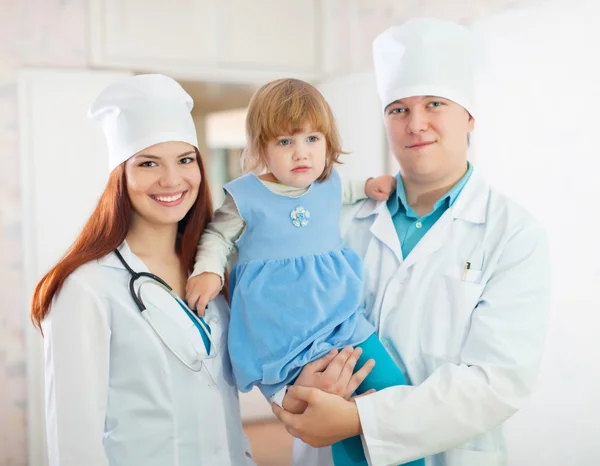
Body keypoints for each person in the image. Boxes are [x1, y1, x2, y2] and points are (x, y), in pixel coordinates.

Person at [273, 18, 552, 466]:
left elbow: (495, 382)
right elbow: (284, 319)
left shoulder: (512, 233)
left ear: (469, 117)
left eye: (435, 104)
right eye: (398, 109)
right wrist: (297, 385)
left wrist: (359, 419)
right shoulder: (337, 219)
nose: (415, 124)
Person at [185, 78, 423, 466]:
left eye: (313, 139)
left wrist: (371, 185)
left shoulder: (327, 184)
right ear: (262, 146)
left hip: (342, 323)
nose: (302, 153)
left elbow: (347, 190)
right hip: (287, 335)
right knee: (336, 419)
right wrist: (209, 271)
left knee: (391, 398)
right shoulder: (245, 196)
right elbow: (217, 237)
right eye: (285, 142)